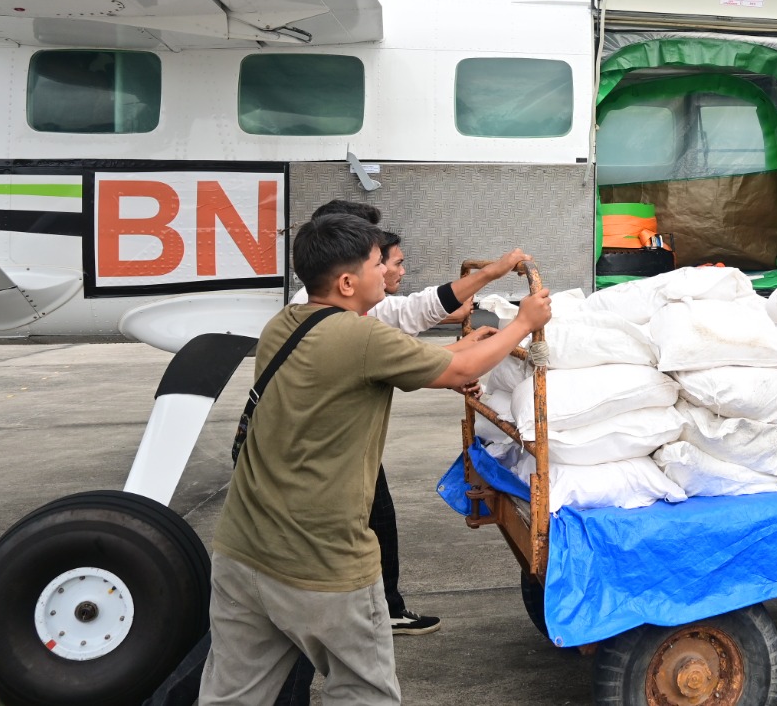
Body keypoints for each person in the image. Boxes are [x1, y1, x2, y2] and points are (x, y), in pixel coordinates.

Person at [198, 214, 551, 705]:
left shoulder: (284, 325)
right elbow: (459, 370)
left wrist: (461, 348)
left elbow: (372, 366)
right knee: (365, 693)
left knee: (233, 695)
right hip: (321, 563)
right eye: (376, 265)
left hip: (242, 552)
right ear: (346, 282)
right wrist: (523, 324)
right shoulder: (361, 339)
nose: (387, 274)